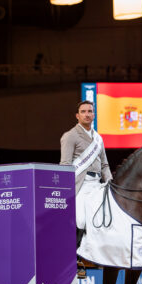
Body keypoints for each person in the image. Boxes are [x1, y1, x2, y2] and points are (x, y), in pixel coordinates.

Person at [60, 100, 112, 246]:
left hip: (98, 185)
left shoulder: (98, 138)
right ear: (77, 115)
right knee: (81, 220)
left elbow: (105, 165)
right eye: (83, 112)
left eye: (89, 111)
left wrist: (110, 181)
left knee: (107, 217)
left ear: (94, 114)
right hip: (80, 185)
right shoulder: (70, 136)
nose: (87, 114)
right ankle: (75, 257)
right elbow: (65, 165)